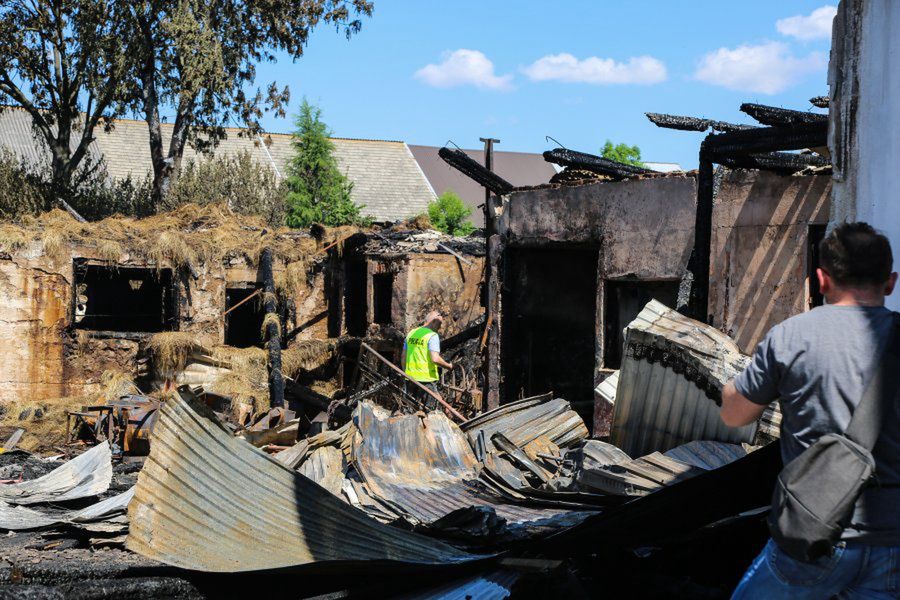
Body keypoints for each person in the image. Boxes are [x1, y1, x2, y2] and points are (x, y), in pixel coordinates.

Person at [721, 222, 900, 599]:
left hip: (814, 533)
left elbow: (734, 416)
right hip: (892, 542)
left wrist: (730, 387)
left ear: (821, 280)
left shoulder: (791, 336)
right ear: (891, 282)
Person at [402, 310, 454, 411]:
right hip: (427, 380)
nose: (439, 328)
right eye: (439, 324)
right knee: (431, 411)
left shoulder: (411, 334)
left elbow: (403, 356)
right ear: (433, 322)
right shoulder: (432, 336)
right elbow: (435, 359)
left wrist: (406, 373)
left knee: (409, 410)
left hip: (410, 378)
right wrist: (449, 366)